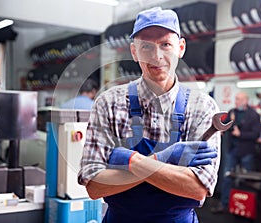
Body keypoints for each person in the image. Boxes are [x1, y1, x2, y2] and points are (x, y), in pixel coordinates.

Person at [78, 7, 221, 223]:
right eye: (146, 46)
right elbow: (95, 187)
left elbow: (197, 188)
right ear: (134, 52)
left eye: (165, 44)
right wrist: (163, 160)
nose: (157, 56)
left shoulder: (203, 107)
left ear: (180, 48)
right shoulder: (108, 103)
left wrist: (131, 160)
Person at [211, 91, 261, 213]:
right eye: (236, 99)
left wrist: (241, 134)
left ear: (245, 101)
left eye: (238, 99)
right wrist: (222, 130)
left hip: (246, 152)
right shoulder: (232, 112)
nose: (236, 101)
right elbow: (226, 125)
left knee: (247, 180)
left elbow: (256, 134)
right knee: (227, 177)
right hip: (231, 151)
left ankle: (248, 208)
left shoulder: (253, 115)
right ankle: (224, 204)